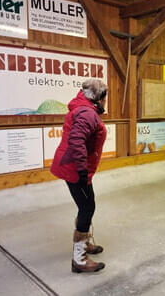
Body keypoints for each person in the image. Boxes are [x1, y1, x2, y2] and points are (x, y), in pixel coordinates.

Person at [50, 79, 108, 273]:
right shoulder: (87, 113)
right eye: (105, 97)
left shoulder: (84, 108)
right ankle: (79, 259)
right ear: (99, 97)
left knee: (87, 204)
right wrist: (82, 170)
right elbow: (76, 140)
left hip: (75, 166)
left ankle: (85, 243)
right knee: (87, 207)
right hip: (74, 168)